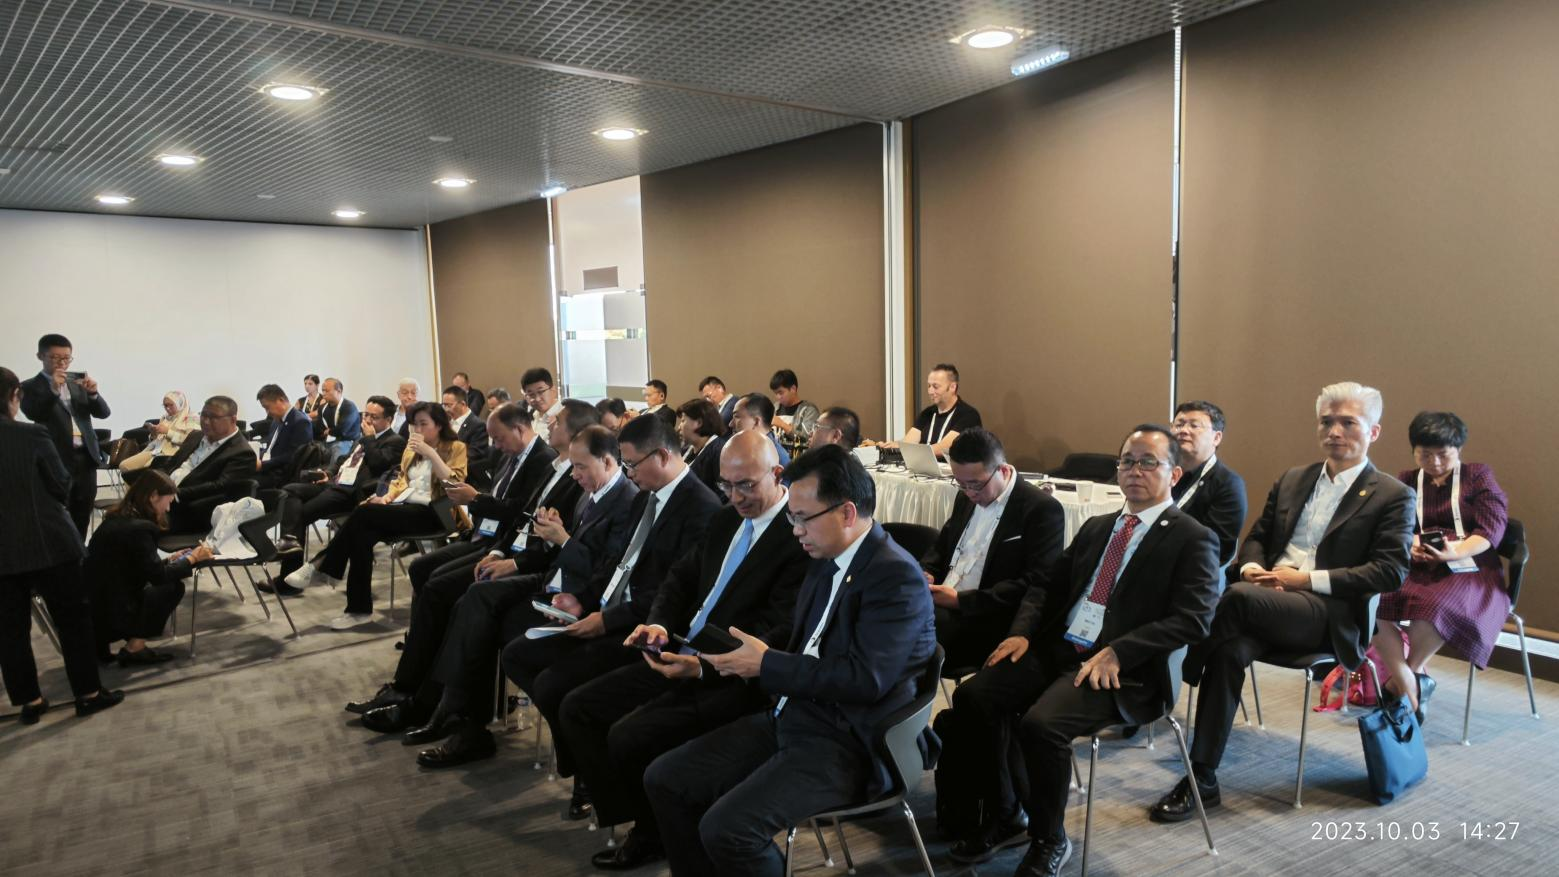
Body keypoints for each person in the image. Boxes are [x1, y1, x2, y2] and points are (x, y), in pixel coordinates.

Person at [643, 444, 936, 877]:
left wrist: (766, 665)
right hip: (794, 715)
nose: (795, 530)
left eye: (802, 518)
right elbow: (797, 638)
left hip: (850, 740)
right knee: (665, 779)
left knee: (729, 829)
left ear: (847, 513)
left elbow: (864, 680)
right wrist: (716, 662)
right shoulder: (824, 556)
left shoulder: (895, 578)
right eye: (791, 518)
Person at [941, 425, 1221, 874]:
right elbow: (1046, 585)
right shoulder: (1099, 527)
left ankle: (1049, 838)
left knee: (1041, 725)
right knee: (976, 697)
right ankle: (1007, 813)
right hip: (1064, 646)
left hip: (1125, 668)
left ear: (1174, 474)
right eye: (1127, 461)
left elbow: (1193, 619)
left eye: (1148, 462)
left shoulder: (1192, 537)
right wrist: (1023, 631)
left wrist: (1121, 651)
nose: (1134, 471)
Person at [1153, 382, 1414, 824]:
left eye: (1348, 422)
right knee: (1229, 650)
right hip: (1262, 601)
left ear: (1373, 432)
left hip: (1326, 612)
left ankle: (1167, 676)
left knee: (1232, 599)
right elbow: (1256, 537)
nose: (1334, 431)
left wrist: (1305, 580)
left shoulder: (1392, 494)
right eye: (1326, 422)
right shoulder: (1294, 479)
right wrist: (1254, 568)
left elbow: (1390, 571)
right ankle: (1202, 778)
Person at [564, 431, 808, 869]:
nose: (735, 496)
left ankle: (652, 832)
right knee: (582, 707)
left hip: (733, 677)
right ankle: (643, 820)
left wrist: (702, 668)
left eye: (746, 485)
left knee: (631, 736)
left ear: (777, 474)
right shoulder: (726, 518)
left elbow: (776, 631)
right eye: (726, 485)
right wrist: (658, 624)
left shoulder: (799, 536)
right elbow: (679, 578)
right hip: (682, 650)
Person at [370, 426, 638, 768]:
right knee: (474, 600)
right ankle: (448, 708)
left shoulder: (626, 500)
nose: (575, 474)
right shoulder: (590, 491)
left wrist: (562, 540)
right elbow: (539, 530)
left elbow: (605, 571)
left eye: (581, 467)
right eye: (573, 466)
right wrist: (549, 536)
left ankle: (453, 714)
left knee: (481, 618)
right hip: (554, 578)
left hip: (576, 594)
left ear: (608, 461)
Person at [488, 414, 721, 777]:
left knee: (557, 688)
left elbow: (673, 592)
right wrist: (581, 598)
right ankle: (581, 757)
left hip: (641, 625)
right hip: (606, 609)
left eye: (632, 464)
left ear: (661, 456)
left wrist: (607, 619)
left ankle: (586, 771)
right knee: (519, 654)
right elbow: (614, 562)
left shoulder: (703, 508)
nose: (628, 473)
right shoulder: (645, 498)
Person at [346, 400, 594, 720]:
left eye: (556, 422)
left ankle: (430, 697)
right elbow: (524, 517)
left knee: (450, 593)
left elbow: (531, 524)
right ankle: (417, 681)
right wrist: (498, 550)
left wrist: (502, 544)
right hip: (501, 544)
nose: (548, 424)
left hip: (531, 562)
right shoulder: (549, 465)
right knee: (428, 574)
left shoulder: (556, 466)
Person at [0, 366, 123, 724]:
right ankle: (88, 694)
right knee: (72, 619)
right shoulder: (32, 434)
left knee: (10, 630)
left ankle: (30, 701)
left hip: (4, 553)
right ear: (15, 396)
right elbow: (60, 484)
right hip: (50, 541)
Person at [284, 401, 468, 630]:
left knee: (364, 513)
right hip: (405, 508)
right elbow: (401, 480)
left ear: (439, 425)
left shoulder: (455, 447)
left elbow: (455, 483)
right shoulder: (411, 449)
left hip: (436, 512)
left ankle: (320, 564)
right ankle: (358, 610)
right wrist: (386, 498)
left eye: (424, 424)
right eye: (414, 425)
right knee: (362, 535)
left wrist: (431, 454)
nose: (418, 430)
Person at [1374, 411, 1509, 719]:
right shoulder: (1408, 480)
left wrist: (1453, 553)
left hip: (1470, 565)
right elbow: (1394, 526)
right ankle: (1410, 681)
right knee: (1369, 599)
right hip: (1419, 562)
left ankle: (1401, 682)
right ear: (1414, 451)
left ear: (1458, 449)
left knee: (1433, 605)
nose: (1434, 462)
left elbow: (1491, 530)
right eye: (1425, 454)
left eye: (1443, 454)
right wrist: (1411, 545)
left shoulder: (1477, 476)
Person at [921, 429, 1066, 669]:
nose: (970, 493)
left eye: (976, 485)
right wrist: (926, 571)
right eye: (961, 484)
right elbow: (942, 546)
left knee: (906, 632)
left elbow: (1037, 583)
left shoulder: (1040, 509)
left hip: (985, 616)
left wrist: (961, 601)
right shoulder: (965, 497)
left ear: (1004, 470)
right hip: (942, 602)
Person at [266, 395, 405, 592]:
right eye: (366, 415)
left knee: (300, 514)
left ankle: (287, 577)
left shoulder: (395, 441)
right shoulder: (363, 438)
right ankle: (289, 542)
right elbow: (344, 461)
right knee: (289, 490)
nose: (367, 420)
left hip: (351, 492)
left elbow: (378, 463)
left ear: (388, 420)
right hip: (334, 482)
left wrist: (370, 438)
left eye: (374, 417)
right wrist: (328, 473)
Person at [87, 469, 212, 665]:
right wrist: (192, 558)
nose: (168, 509)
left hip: (94, 603)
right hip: (112, 610)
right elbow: (158, 577)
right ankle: (135, 648)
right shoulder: (140, 528)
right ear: (153, 496)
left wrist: (169, 560)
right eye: (168, 502)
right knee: (172, 587)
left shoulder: (117, 518)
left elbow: (133, 565)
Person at [20, 333, 111, 535]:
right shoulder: (29, 386)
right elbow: (34, 413)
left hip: (86, 457)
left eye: (67, 358)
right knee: (58, 513)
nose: (62, 363)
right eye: (55, 358)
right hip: (56, 456)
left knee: (83, 510)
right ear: (40, 356)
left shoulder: (76, 382)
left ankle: (80, 551)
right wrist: (53, 390)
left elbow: (104, 413)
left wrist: (93, 394)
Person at [151, 396, 257, 535]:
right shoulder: (196, 436)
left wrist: (173, 494)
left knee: (135, 528)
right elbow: (172, 463)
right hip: (162, 495)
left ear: (233, 419)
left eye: (213, 417)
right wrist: (153, 482)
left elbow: (219, 487)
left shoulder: (242, 452)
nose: (206, 421)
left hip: (190, 508)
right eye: (204, 415)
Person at [1170, 401, 1248, 571]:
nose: (1183, 430)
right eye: (1179, 424)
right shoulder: (1160, 473)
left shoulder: (1228, 484)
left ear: (1216, 437)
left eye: (1194, 425)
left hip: (1193, 570)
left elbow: (1216, 549)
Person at [876, 363, 981, 457]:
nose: (930, 391)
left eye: (935, 386)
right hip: (924, 469)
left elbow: (943, 448)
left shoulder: (968, 415)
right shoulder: (927, 413)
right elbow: (908, 442)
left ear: (952, 387)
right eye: (929, 386)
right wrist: (891, 446)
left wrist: (904, 448)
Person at [118, 391, 198, 473]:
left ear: (180, 404)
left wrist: (168, 432)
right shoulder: (165, 417)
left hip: (173, 454)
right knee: (124, 466)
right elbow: (157, 440)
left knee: (145, 472)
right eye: (165, 405)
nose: (167, 408)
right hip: (156, 451)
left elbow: (191, 441)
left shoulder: (192, 418)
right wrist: (154, 434)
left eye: (171, 405)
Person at [255, 384, 314, 490]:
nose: (267, 412)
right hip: (270, 467)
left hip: (282, 474)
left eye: (267, 407)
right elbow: (270, 448)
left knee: (247, 482)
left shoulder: (300, 421)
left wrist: (263, 465)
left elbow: (293, 456)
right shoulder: (276, 420)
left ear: (281, 400)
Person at [677, 398, 729, 497]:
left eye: (683, 421)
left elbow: (723, 494)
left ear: (699, 423)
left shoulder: (720, 451)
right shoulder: (685, 449)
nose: (679, 427)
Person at [442, 384, 492, 487]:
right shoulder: (446, 423)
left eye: (449, 405)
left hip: (468, 479)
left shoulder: (478, 425)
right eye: (444, 405)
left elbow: (475, 453)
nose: (446, 409)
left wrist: (447, 461)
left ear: (463, 404)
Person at [769, 369, 820, 456]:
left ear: (793, 389)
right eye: (775, 393)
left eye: (780, 392)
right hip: (775, 458)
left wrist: (783, 425)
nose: (778, 397)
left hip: (798, 459)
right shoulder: (775, 408)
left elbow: (808, 439)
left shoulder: (809, 410)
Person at [731, 392, 790, 467]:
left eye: (737, 416)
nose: (730, 424)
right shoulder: (749, 449)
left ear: (756, 422)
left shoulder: (776, 460)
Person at [316, 377, 361, 450]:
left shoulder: (349, 406)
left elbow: (342, 430)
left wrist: (329, 431)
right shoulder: (322, 408)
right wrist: (329, 431)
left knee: (337, 448)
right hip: (329, 440)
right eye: (323, 390)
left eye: (327, 391)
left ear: (339, 391)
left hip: (348, 441)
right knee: (313, 449)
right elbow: (320, 428)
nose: (323, 394)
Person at [520, 367, 562, 440]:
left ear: (553, 390)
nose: (537, 399)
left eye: (541, 392)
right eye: (531, 394)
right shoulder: (532, 417)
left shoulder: (564, 417)